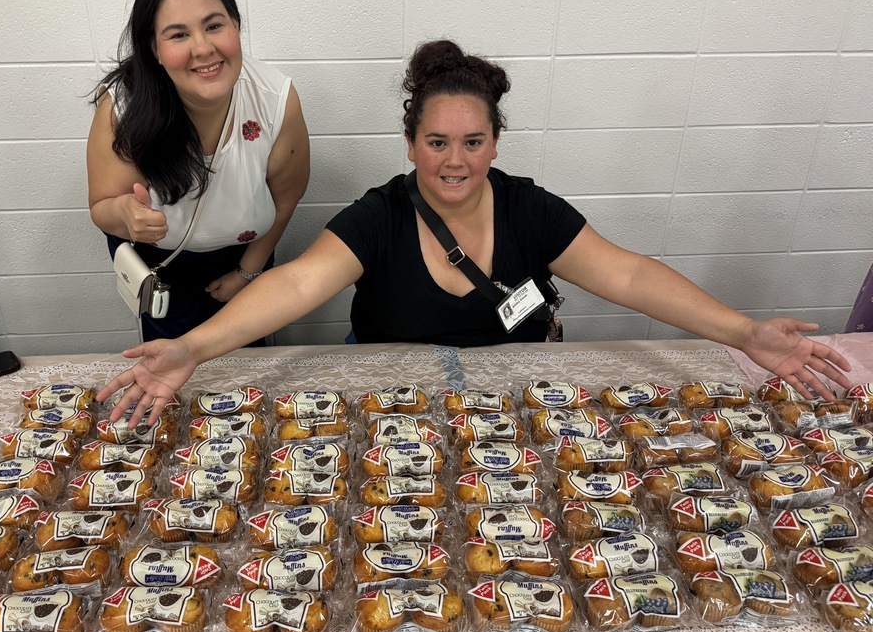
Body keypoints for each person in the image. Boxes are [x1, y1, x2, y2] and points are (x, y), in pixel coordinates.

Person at [98, 39, 852, 425]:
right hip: (398, 409)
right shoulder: (381, 213)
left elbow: (628, 274)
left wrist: (744, 333)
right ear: (410, 143)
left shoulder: (529, 208)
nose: (454, 162)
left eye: (472, 142)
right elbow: (297, 283)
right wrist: (191, 347)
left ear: (495, 142)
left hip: (519, 405)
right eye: (436, 143)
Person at [86, 0, 310, 341]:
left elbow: (286, 198)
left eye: (214, 25)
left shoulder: (276, 100)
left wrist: (248, 272)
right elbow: (101, 208)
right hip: (162, 268)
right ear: (153, 49)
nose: (203, 48)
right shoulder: (122, 108)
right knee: (171, 382)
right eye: (178, 35)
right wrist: (125, 213)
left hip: (246, 258)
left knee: (251, 374)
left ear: (236, 25)